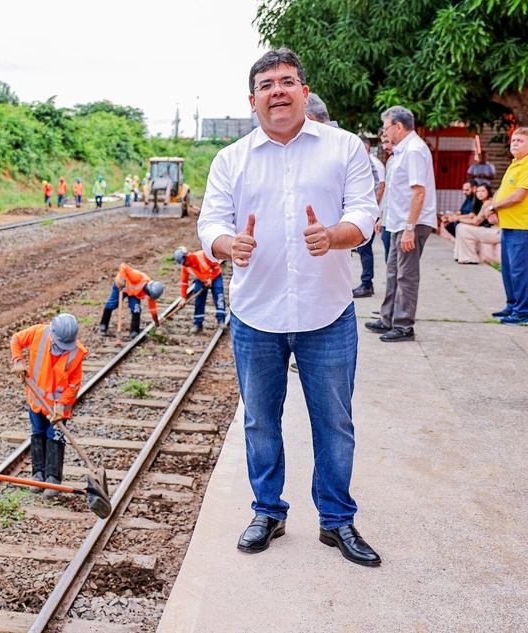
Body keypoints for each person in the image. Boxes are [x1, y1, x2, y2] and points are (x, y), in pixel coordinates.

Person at [198, 48, 380, 566]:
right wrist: (227, 244)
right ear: (252, 100)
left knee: (335, 423)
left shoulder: (344, 148)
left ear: (304, 91)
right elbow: (211, 223)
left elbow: (364, 212)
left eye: (286, 81)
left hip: (328, 312)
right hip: (256, 314)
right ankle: (268, 511)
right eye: (266, 84)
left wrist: (335, 235)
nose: (277, 91)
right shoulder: (230, 159)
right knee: (260, 421)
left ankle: (337, 520)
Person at [365, 106, 437, 343]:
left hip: (411, 224)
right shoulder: (401, 152)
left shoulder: (414, 150)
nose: (385, 132)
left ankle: (404, 326)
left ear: (398, 126)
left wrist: (410, 228)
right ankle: (388, 318)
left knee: (406, 275)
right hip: (398, 223)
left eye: (386, 127)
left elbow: (418, 192)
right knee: (394, 272)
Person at [10, 314, 87, 495]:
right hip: (37, 399)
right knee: (38, 432)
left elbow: (74, 385)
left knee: (55, 436)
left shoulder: (76, 352)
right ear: (52, 332)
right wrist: (18, 361)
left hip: (58, 407)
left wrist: (61, 404)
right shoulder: (38, 333)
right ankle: (38, 475)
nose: (62, 349)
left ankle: (53, 479)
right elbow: (16, 340)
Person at [489, 127, 528, 325]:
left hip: (522, 227)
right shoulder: (514, 164)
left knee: (520, 271)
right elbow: (503, 190)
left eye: (520, 140)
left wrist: (494, 206)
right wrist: (492, 208)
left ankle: (522, 311)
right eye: (513, 140)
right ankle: (512, 305)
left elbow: (518, 196)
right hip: (508, 225)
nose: (515, 143)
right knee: (508, 269)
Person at [98, 263, 164, 338]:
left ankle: (134, 332)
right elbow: (123, 266)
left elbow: (153, 310)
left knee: (136, 310)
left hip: (134, 293)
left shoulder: (151, 294)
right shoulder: (137, 278)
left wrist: (157, 324)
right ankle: (103, 325)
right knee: (111, 304)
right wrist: (122, 279)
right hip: (121, 287)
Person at [353, 134, 383, 298]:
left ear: (365, 147)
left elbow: (381, 188)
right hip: (369, 211)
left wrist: (374, 212)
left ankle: (367, 284)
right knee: (362, 249)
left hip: (371, 212)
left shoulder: (374, 163)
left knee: (365, 249)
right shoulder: (365, 161)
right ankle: (365, 283)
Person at [174, 246, 225, 333]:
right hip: (201, 280)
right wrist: (183, 298)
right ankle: (198, 323)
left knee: (219, 296)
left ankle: (221, 320)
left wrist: (211, 278)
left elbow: (216, 266)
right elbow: (184, 283)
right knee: (199, 300)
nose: (184, 264)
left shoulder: (202, 255)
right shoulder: (185, 267)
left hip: (215, 276)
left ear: (187, 257)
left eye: (184, 262)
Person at [454, 184, 500, 264]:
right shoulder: (480, 203)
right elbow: (475, 219)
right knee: (460, 226)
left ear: (488, 192)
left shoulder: (488, 203)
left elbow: (476, 222)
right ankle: (459, 255)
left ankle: (470, 258)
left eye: (483, 191)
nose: (480, 193)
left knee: (463, 228)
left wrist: (458, 219)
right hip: (490, 230)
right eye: (478, 191)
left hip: (496, 232)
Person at [376, 131, 395, 264]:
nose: (384, 147)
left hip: (398, 221)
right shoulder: (391, 161)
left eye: (387, 142)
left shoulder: (407, 157)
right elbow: (388, 192)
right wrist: (381, 218)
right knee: (389, 260)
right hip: (387, 219)